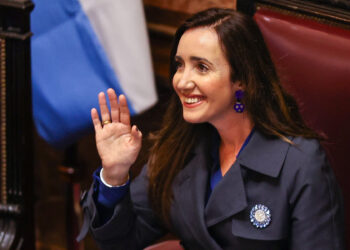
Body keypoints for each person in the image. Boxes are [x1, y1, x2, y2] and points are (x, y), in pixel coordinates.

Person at [77, 8, 345, 250]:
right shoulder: (179, 145)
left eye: (201, 67)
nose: (181, 81)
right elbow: (123, 241)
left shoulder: (301, 162)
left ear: (242, 80)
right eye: (180, 65)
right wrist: (114, 174)